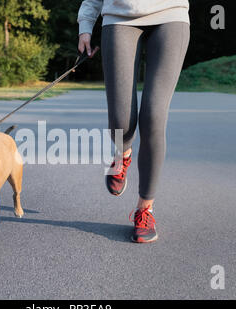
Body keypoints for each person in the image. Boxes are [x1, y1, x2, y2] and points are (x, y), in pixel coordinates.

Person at [77, 0, 190, 243]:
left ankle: (144, 209)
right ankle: (123, 153)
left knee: (154, 117)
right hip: (119, 17)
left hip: (171, 15)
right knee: (121, 122)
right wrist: (86, 25)